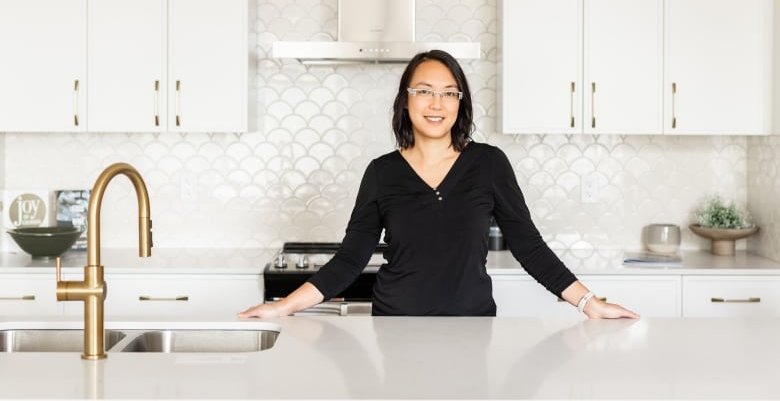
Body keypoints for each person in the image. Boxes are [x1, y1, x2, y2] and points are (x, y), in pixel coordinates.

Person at [239, 50, 639, 319]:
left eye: (449, 93)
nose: (437, 103)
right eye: (425, 91)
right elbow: (350, 260)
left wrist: (589, 303)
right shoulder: (382, 172)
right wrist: (285, 306)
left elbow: (529, 247)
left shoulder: (489, 164)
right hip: (395, 327)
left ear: (460, 103)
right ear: (406, 100)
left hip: (473, 326)